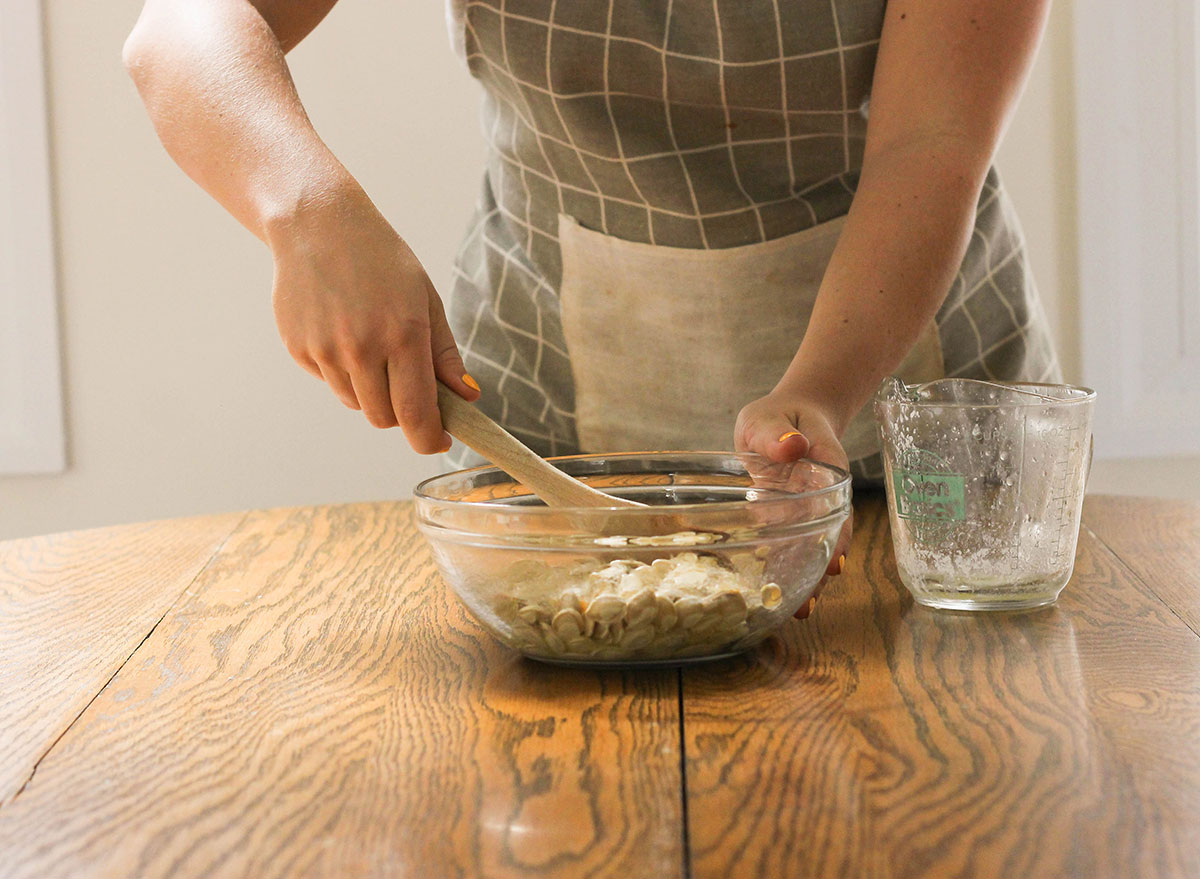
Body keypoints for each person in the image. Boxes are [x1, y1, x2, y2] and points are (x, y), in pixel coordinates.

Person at [124, 0, 1059, 607]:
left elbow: (929, 150)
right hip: (545, 450)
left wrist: (817, 392)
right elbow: (182, 33)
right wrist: (311, 213)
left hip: (918, 461)